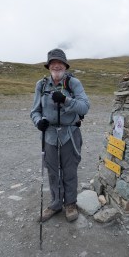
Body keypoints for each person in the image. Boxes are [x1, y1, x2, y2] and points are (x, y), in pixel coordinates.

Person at [30, 48, 90, 222]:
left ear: (65, 66)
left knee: (70, 170)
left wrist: (65, 100)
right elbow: (35, 111)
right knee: (53, 171)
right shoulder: (41, 85)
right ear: (49, 67)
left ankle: (70, 203)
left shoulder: (73, 83)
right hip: (49, 135)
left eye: (60, 63)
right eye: (53, 63)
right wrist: (38, 121)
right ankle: (56, 203)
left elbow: (85, 107)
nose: (56, 66)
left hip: (69, 133)